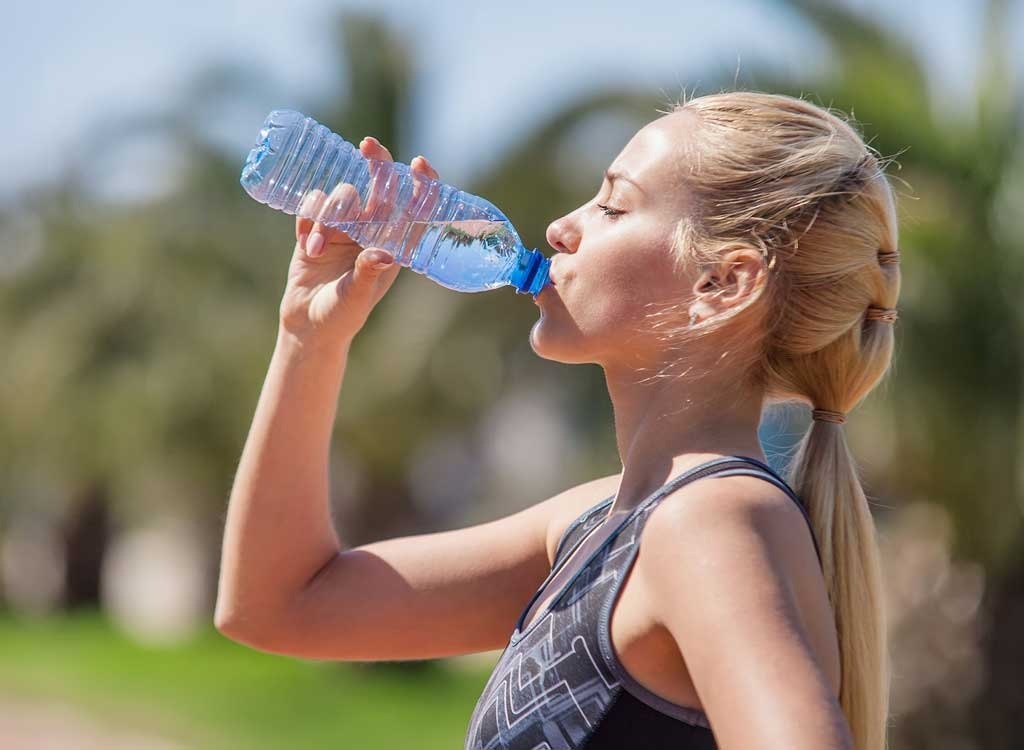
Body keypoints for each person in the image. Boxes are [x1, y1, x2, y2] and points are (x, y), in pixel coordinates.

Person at [215, 90, 900, 750]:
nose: (559, 229)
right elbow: (279, 605)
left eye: (612, 205)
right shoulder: (599, 526)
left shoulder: (709, 520)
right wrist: (309, 337)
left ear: (721, 283)